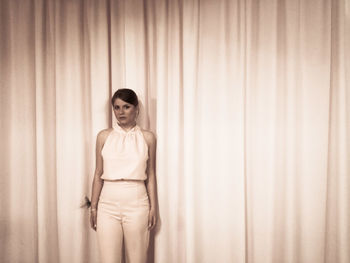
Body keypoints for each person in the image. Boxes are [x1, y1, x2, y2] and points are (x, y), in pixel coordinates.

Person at [89, 89, 158, 263]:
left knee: (137, 259)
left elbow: (150, 174)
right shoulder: (104, 136)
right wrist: (94, 207)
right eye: (117, 107)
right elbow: (98, 174)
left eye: (126, 107)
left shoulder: (147, 137)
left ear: (136, 109)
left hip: (137, 202)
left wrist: (153, 207)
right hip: (107, 204)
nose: (121, 112)